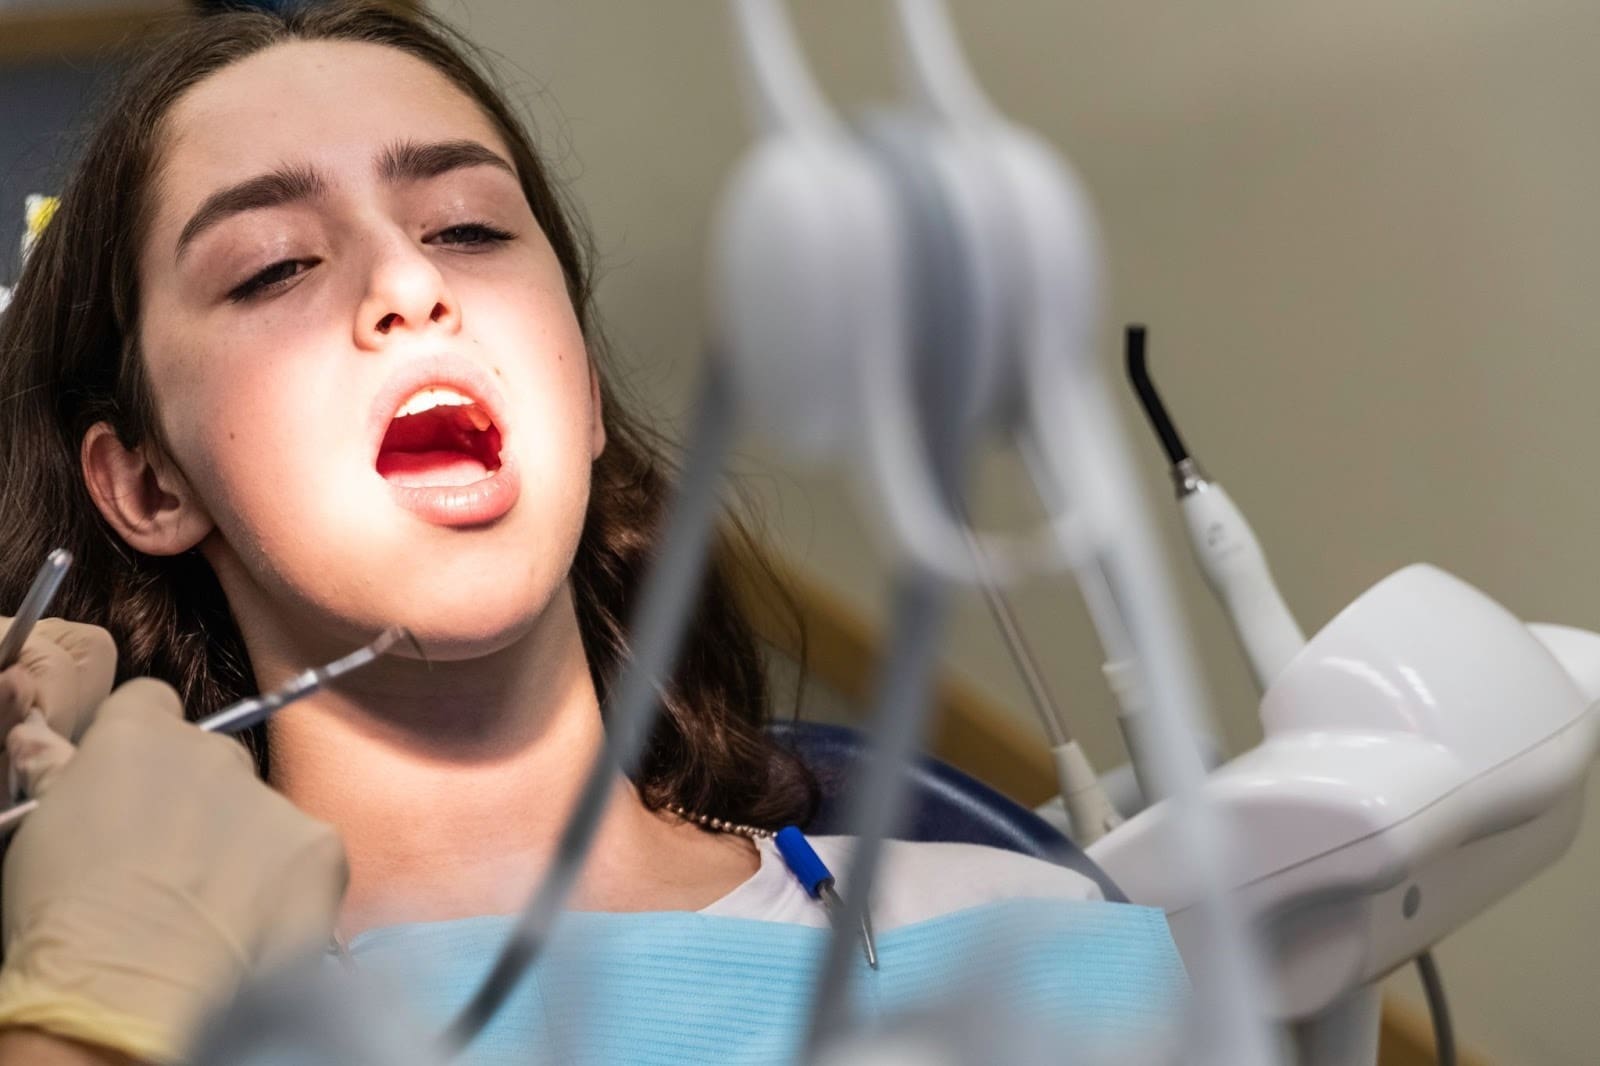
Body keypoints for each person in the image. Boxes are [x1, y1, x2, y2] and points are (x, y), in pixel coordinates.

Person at [0, 3, 1184, 1063]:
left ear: (579, 392)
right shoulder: (125, 1006)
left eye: (467, 226)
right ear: (148, 484)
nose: (409, 281)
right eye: (274, 266)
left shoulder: (1019, 939)